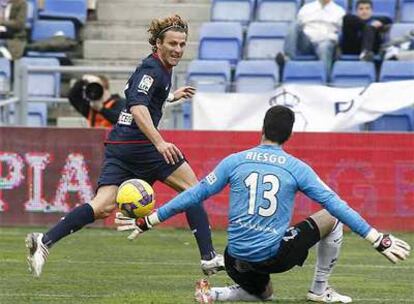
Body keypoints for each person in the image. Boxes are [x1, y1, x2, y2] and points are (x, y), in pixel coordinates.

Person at [115, 105, 411, 303]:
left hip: (234, 259)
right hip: (273, 257)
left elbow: (195, 194)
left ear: (262, 129)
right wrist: (377, 238)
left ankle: (215, 294)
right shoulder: (296, 167)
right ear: (290, 135)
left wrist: (150, 219)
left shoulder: (235, 160)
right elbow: (337, 204)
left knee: (265, 294)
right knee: (331, 218)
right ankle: (319, 290)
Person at [25, 14, 224, 278]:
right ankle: (209, 257)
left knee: (102, 206)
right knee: (193, 190)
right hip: (141, 144)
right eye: (172, 44)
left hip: (120, 144)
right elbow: (138, 106)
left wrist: (171, 96)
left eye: (182, 44)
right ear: (157, 44)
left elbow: (146, 100)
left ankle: (45, 241)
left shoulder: (159, 70)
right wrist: (160, 142)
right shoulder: (151, 70)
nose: (177, 49)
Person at [282, 0, 345, 74]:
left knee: (325, 47)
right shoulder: (306, 8)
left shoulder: (339, 11)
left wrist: (333, 39)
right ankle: (288, 59)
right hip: (307, 42)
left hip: (325, 41)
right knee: (294, 25)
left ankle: (325, 79)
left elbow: (342, 33)